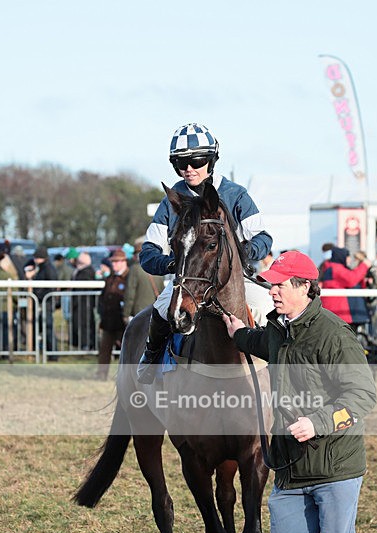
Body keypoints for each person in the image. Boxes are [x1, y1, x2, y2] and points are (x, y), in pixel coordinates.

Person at [222, 250, 377, 533]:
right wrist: (237, 332)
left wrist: (321, 420)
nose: (272, 291)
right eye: (270, 284)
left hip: (336, 466)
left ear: (304, 287)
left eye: (280, 285)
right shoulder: (278, 330)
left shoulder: (333, 335)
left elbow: (363, 396)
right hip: (290, 465)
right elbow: (258, 343)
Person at [137, 122, 274, 382]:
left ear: (211, 160)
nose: (189, 169)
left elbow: (263, 238)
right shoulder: (172, 200)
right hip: (188, 281)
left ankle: (279, 371)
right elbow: (148, 252)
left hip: (234, 280)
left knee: (266, 305)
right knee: (161, 307)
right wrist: (173, 265)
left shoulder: (236, 194)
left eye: (197, 160)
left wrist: (240, 255)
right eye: (180, 163)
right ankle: (151, 359)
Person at [319, 246, 371, 331]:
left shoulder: (330, 267)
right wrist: (364, 265)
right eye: (348, 257)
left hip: (333, 310)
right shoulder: (337, 269)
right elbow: (352, 279)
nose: (349, 259)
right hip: (338, 311)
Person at [95, 249, 129, 380]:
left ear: (123, 262)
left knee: (125, 350)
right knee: (104, 350)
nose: (113, 264)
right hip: (108, 320)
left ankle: (125, 376)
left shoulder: (128, 277)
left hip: (122, 321)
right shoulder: (111, 278)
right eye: (112, 262)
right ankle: (101, 374)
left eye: (116, 262)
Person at [123, 236, 164, 323]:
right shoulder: (157, 267)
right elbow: (162, 291)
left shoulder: (135, 269)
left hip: (139, 313)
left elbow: (130, 294)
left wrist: (126, 314)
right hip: (156, 313)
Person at [71, 252, 96, 350]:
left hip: (85, 302)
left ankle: (87, 344)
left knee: (85, 324)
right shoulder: (81, 271)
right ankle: (83, 343)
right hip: (81, 302)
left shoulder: (86, 272)